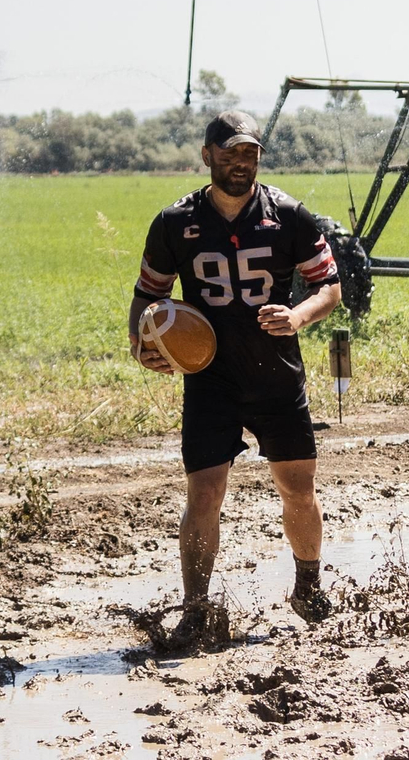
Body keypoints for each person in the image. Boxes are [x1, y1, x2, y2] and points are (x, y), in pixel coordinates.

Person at [129, 110, 342, 643]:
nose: (240, 163)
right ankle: (196, 610)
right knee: (204, 493)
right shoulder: (174, 222)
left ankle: (308, 587)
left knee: (298, 488)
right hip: (211, 381)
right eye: (229, 153)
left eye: (249, 153)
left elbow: (330, 289)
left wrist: (296, 316)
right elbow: (146, 297)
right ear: (207, 156)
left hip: (276, 375)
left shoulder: (289, 215)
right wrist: (142, 346)